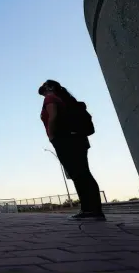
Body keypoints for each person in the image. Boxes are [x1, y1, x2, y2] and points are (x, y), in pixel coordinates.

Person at [38, 80, 105, 221]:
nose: (42, 88)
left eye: (44, 85)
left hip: (65, 140)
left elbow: (53, 116)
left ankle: (89, 210)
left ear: (49, 87)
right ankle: (93, 210)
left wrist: (51, 136)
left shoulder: (50, 98)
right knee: (83, 173)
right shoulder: (65, 99)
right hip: (78, 139)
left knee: (79, 174)